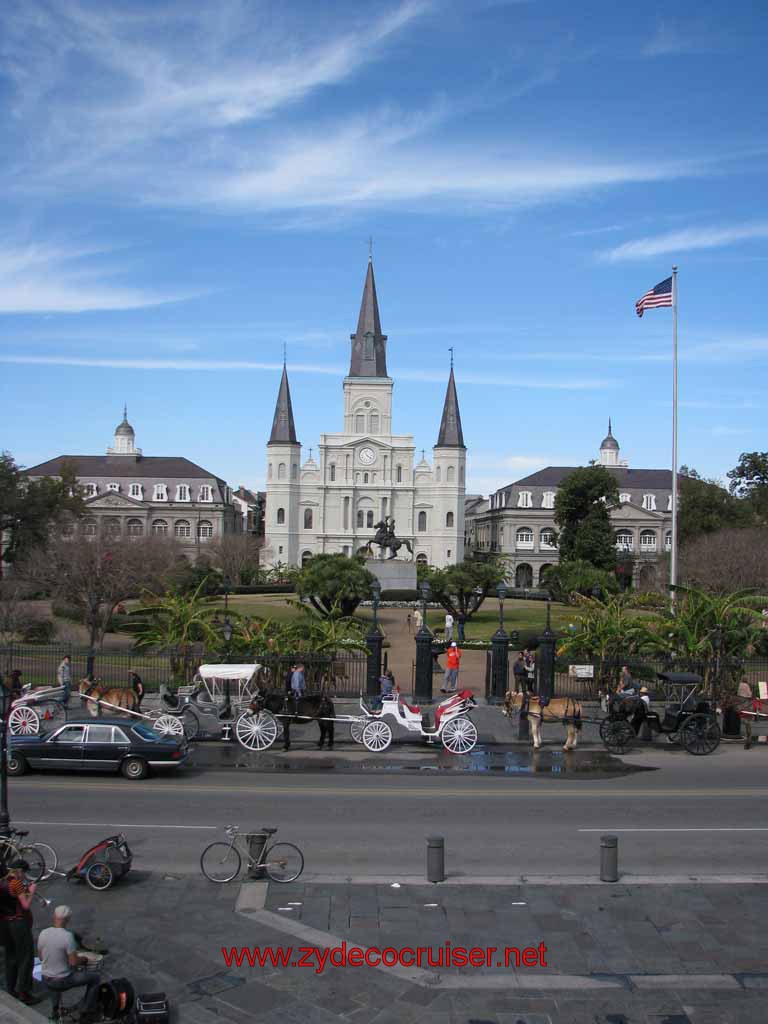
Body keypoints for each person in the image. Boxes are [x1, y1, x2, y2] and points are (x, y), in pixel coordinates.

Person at [38, 905, 100, 1018]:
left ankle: (55, 1010)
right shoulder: (67, 937)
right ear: (67, 919)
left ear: (54, 916)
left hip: (45, 978)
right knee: (95, 978)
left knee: (53, 976)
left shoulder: (43, 933)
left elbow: (41, 957)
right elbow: (74, 962)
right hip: (62, 981)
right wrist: (84, 959)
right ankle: (86, 1010)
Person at [0, 860, 37, 1004]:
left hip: (4, 924)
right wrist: (31, 891)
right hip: (18, 924)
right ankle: (24, 992)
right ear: (20, 871)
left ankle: (11, 988)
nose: (25, 876)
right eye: (24, 873)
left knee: (11, 956)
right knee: (26, 957)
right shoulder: (16, 883)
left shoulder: (2, 881)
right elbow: (25, 905)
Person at [738, 677, 754, 749]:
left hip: (741, 703)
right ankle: (748, 741)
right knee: (748, 723)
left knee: (746, 722)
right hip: (746, 702)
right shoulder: (746, 685)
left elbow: (738, 693)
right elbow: (749, 695)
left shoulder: (740, 685)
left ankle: (748, 740)